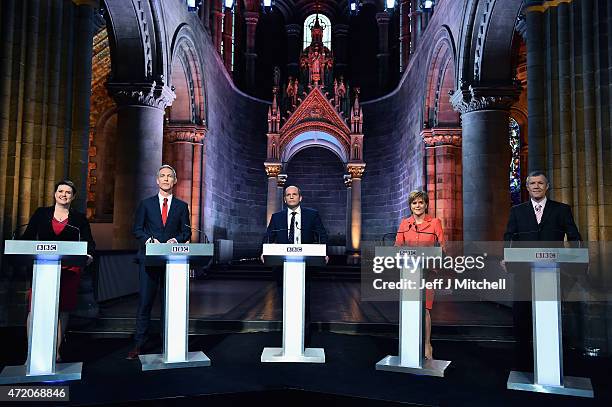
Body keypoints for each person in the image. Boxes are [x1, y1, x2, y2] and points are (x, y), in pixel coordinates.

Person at [503, 170, 581, 369]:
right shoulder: (517, 211)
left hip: (552, 272)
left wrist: (577, 258)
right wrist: (507, 257)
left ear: (547, 187)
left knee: (549, 317)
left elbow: (574, 236)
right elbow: (509, 236)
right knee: (522, 316)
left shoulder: (561, 210)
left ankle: (550, 362)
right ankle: (523, 362)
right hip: (523, 272)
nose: (536, 186)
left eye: (540, 183)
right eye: (532, 183)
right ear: (527, 187)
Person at [20, 179, 95, 362]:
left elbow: (89, 243)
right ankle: (31, 353)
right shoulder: (41, 214)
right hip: (43, 269)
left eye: (68, 192)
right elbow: (27, 237)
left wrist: (89, 256)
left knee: (63, 310)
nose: (64, 194)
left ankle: (56, 351)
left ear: (73, 196)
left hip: (69, 270)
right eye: (60, 191)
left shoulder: (78, 219)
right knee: (34, 308)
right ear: (55, 194)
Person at [127, 165, 191, 360]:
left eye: (169, 176)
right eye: (162, 176)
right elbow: (137, 229)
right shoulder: (146, 204)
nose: (165, 179)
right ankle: (139, 344)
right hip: (149, 261)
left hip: (172, 264)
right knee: (145, 304)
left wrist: (177, 240)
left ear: (174, 181)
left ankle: (169, 342)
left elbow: (186, 232)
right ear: (157, 180)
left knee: (169, 304)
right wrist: (149, 240)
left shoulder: (181, 206)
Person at [263, 185, 328, 344]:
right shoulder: (277, 217)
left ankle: (304, 340)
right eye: (288, 195)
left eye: (294, 194)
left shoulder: (312, 215)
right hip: (282, 267)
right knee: (285, 302)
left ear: (300, 197)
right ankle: (289, 339)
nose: (291, 197)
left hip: (304, 266)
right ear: (284, 199)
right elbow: (269, 236)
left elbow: (322, 234)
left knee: (303, 303)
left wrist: (324, 252)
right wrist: (264, 251)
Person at [395, 190, 445, 360]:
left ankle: (427, 345)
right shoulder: (404, 224)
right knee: (409, 308)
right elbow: (397, 247)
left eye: (420, 202)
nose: (417, 206)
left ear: (426, 204)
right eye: (414, 203)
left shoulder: (435, 222)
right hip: (409, 272)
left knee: (425, 308)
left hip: (428, 272)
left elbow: (442, 248)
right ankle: (408, 345)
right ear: (410, 206)